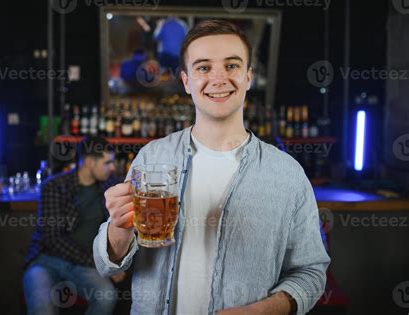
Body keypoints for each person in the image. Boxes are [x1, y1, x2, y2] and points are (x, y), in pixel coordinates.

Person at [93, 20, 331, 315]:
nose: (218, 78)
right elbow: (106, 264)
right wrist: (119, 227)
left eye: (231, 66)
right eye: (203, 68)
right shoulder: (151, 158)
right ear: (186, 81)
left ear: (248, 77)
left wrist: (264, 311)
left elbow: (311, 272)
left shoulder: (288, 173)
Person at [23, 136, 122, 315]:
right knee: (42, 307)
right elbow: (53, 239)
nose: (113, 167)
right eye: (108, 162)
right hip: (47, 260)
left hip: (84, 267)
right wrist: (102, 264)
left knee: (107, 296)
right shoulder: (54, 186)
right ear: (90, 162)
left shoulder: (110, 186)